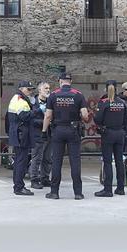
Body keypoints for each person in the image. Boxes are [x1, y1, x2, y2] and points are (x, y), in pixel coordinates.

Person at [44, 72, 89, 200]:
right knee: (75, 162)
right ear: (71, 81)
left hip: (58, 130)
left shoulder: (53, 95)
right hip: (73, 130)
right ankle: (78, 193)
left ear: (60, 81)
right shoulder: (78, 95)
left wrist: (43, 131)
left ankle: (54, 192)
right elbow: (85, 115)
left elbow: (48, 116)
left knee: (56, 161)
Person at [94, 83, 127, 197]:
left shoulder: (104, 103)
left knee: (108, 161)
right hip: (120, 133)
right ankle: (120, 188)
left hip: (108, 133)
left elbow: (97, 119)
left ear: (106, 89)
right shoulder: (122, 103)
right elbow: (126, 120)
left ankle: (108, 189)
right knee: (119, 161)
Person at [7, 81, 36, 196]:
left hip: (18, 133)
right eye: (28, 89)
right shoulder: (20, 100)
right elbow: (24, 116)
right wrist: (37, 111)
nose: (30, 92)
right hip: (21, 134)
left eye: (31, 90)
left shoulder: (17, 98)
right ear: (22, 89)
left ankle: (18, 186)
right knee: (21, 162)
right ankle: (19, 187)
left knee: (19, 160)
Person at [29, 82, 51, 189]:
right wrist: (44, 122)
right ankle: (34, 179)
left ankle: (45, 178)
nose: (48, 90)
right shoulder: (33, 102)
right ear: (39, 90)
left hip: (49, 134)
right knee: (37, 157)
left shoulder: (51, 102)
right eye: (45, 88)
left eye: (49, 88)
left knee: (48, 158)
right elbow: (31, 119)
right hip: (37, 133)